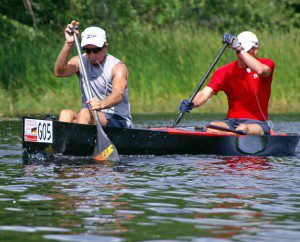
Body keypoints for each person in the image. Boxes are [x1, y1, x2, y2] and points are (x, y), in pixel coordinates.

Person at [180, 31, 275, 135]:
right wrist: (192, 103)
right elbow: (204, 94)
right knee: (213, 126)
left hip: (258, 124)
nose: (240, 55)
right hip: (231, 122)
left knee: (242, 128)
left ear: (255, 50)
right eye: (237, 51)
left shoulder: (266, 64)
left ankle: (232, 139)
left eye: (245, 51)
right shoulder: (224, 72)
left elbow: (261, 70)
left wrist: (239, 48)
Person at [54, 21, 133, 128]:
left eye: (96, 50)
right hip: (89, 117)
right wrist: (68, 43)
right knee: (65, 114)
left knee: (85, 113)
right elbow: (59, 72)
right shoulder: (80, 61)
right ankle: (60, 144)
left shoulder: (117, 67)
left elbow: (118, 94)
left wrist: (101, 104)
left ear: (105, 47)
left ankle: (80, 143)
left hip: (118, 120)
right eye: (87, 50)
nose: (91, 55)